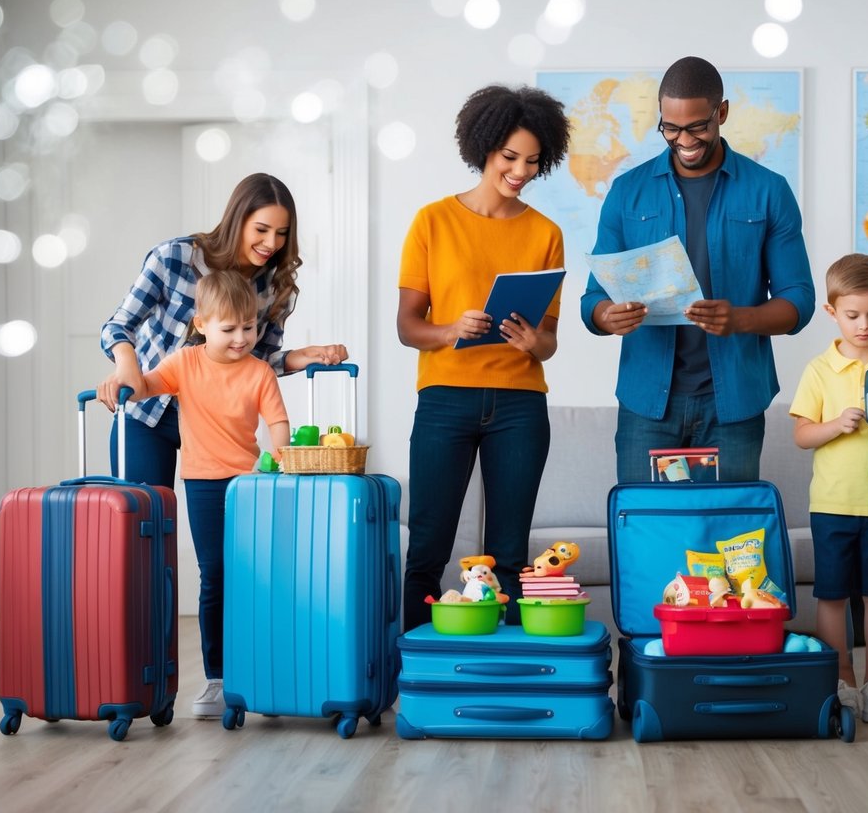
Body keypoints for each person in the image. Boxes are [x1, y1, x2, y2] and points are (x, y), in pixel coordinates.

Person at [580, 56, 815, 482]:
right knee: (646, 537)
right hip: (647, 405)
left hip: (734, 407)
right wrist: (605, 315)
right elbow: (593, 298)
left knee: (727, 540)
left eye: (697, 127)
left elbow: (800, 300)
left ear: (721, 113)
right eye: (670, 128)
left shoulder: (769, 191)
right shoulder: (626, 192)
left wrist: (741, 318)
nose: (682, 140)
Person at [397, 84, 570, 631]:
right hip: (445, 399)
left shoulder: (546, 232)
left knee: (511, 552)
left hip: (520, 405)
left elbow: (549, 342)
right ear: (484, 148)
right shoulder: (432, 221)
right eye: (510, 157)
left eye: (533, 162)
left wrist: (529, 342)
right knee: (428, 544)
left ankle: (510, 672)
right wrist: (451, 329)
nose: (520, 171)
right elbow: (408, 327)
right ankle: (415, 671)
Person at [96, 172, 347, 488]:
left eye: (282, 233)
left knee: (223, 525)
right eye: (261, 229)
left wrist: (296, 357)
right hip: (148, 414)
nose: (272, 243)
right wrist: (127, 365)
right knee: (145, 520)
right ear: (237, 220)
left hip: (219, 428)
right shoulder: (174, 259)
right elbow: (119, 325)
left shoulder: (274, 286)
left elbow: (250, 362)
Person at [123, 269, 291, 717]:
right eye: (229, 328)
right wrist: (121, 378)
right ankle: (216, 677)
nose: (241, 338)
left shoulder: (259, 373)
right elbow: (145, 387)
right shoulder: (185, 362)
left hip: (251, 486)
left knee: (256, 576)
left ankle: (259, 669)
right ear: (202, 325)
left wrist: (284, 457)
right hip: (202, 485)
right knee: (214, 575)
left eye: (250, 327)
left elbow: (277, 423)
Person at [789, 253, 868, 723]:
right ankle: (841, 680)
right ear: (831, 313)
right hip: (833, 504)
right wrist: (836, 425)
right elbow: (801, 435)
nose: (863, 325)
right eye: (853, 315)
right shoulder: (820, 370)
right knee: (833, 596)